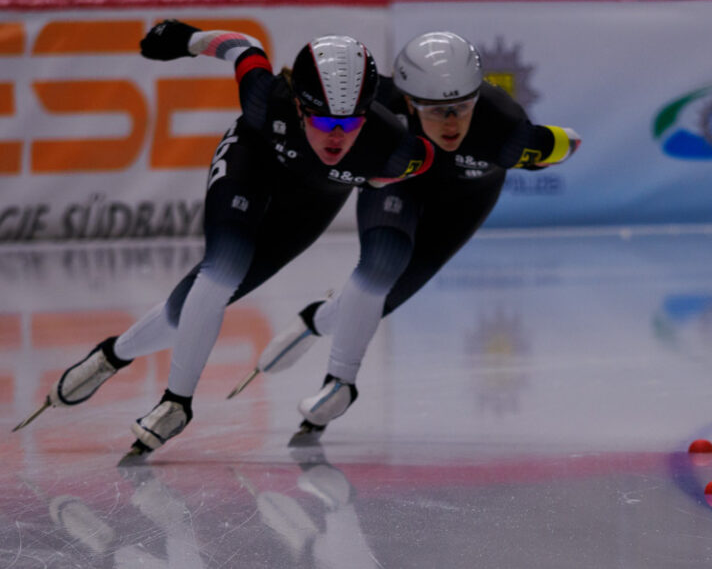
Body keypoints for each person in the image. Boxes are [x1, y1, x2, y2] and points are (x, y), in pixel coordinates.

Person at [13, 20, 434, 461]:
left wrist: (374, 178)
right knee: (219, 274)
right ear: (297, 104)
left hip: (314, 200)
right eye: (324, 119)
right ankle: (176, 403)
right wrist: (187, 39)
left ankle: (112, 356)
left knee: (184, 309)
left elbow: (423, 163)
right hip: (251, 163)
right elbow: (242, 46)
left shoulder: (395, 148)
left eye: (350, 123)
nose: (336, 135)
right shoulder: (264, 101)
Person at [230, 31, 581, 444]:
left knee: (385, 300)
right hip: (401, 182)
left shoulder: (505, 129)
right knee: (381, 264)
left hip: (464, 203)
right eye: (436, 111)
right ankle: (341, 383)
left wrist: (548, 148)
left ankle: (315, 319)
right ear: (409, 102)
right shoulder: (381, 98)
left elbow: (570, 141)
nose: (451, 123)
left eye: (462, 107)